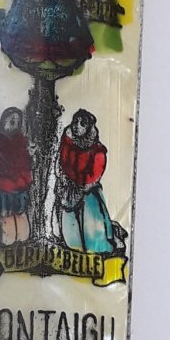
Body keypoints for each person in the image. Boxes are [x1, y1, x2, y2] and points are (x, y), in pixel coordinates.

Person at [55, 109, 114, 254]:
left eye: (82, 123)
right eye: (75, 121)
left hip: (88, 191)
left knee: (92, 224)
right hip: (68, 190)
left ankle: (97, 250)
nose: (77, 126)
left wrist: (79, 183)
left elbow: (94, 174)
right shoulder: (67, 144)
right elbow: (62, 162)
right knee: (69, 225)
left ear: (89, 127)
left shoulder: (97, 150)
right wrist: (65, 179)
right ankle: (74, 249)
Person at [0, 107, 32, 245]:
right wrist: (10, 181)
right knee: (7, 228)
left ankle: (21, 244)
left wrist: (24, 179)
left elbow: (26, 165)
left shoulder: (22, 143)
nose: (14, 125)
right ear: (3, 121)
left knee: (23, 231)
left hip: (20, 189)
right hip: (4, 191)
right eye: (11, 121)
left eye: (17, 122)